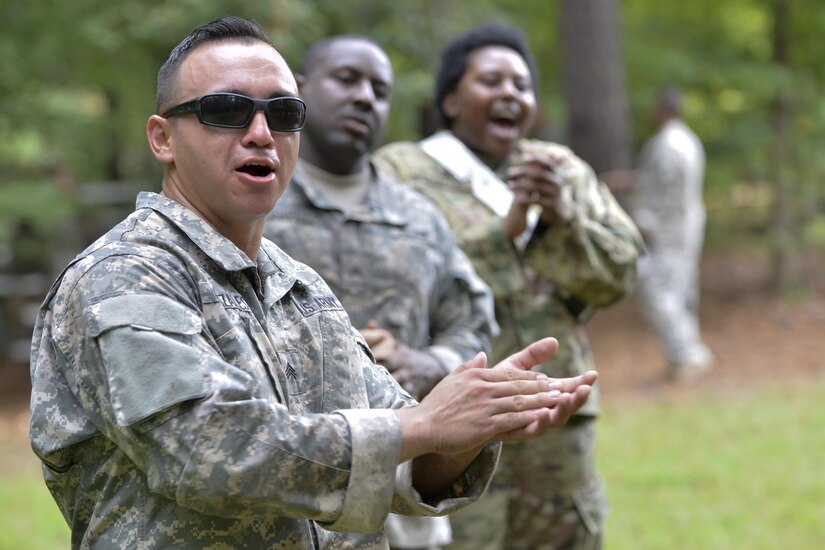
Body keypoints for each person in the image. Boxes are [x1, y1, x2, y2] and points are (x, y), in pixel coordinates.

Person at [28, 17, 598, 549]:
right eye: (226, 110)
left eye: (283, 114)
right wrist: (425, 423)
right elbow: (210, 453)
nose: (260, 133)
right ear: (163, 139)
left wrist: (466, 428)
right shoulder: (122, 277)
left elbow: (400, 466)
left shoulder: (301, 289)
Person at [375, 22, 642, 550]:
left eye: (521, 85)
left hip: (555, 412)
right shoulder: (400, 171)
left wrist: (564, 219)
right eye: (491, 81)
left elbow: (622, 273)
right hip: (454, 418)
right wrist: (505, 233)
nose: (509, 95)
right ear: (451, 100)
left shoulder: (558, 168)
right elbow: (396, 276)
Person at [264, 34, 497, 550]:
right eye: (346, 79)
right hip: (289, 486)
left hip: (406, 484)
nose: (365, 97)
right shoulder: (256, 202)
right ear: (299, 90)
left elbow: (473, 320)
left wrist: (430, 361)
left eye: (380, 89)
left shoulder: (418, 216)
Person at [629, 88, 714, 381]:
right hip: (687, 230)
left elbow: (665, 194)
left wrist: (642, 225)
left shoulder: (667, 144)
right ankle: (685, 354)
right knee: (681, 294)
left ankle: (688, 354)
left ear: (662, 109)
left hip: (668, 234)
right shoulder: (688, 141)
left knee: (659, 292)